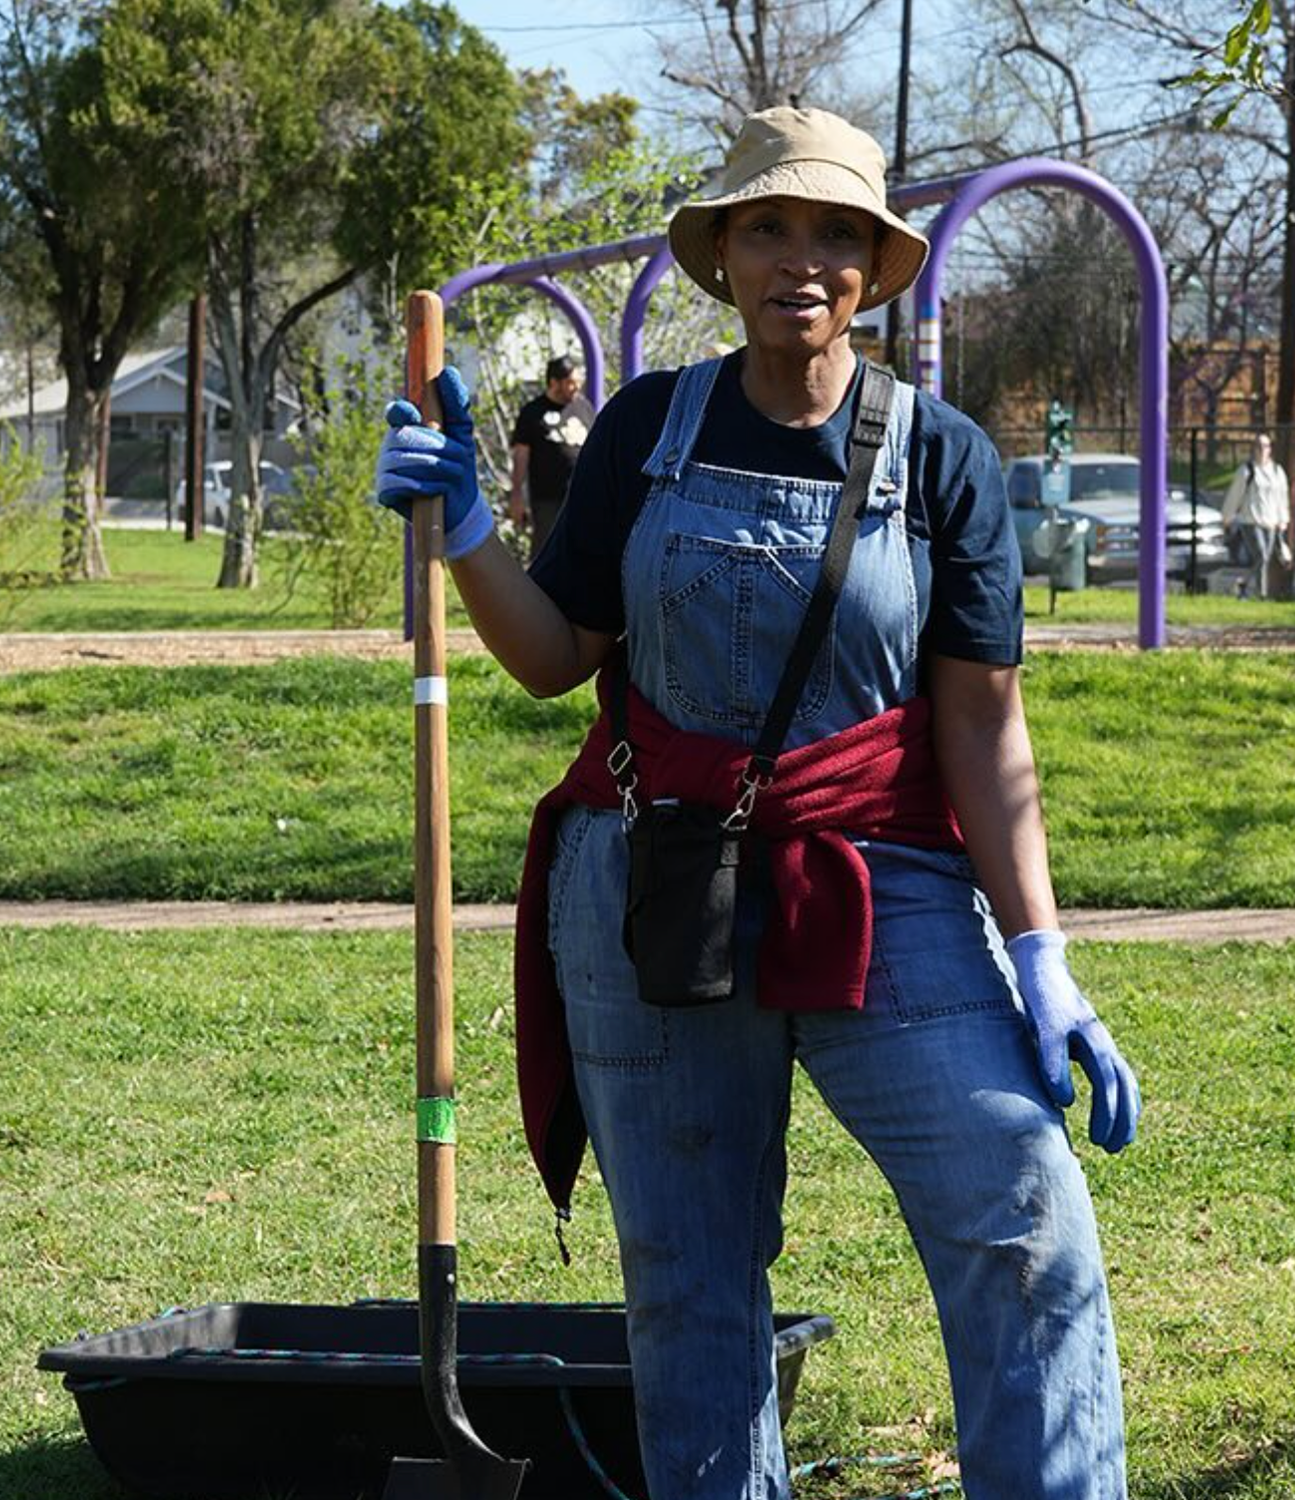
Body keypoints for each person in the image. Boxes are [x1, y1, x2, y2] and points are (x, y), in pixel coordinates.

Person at [376, 105, 1138, 1500]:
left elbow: (982, 719)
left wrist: (1040, 955)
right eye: (769, 227)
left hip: (882, 886)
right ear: (721, 254)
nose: (803, 258)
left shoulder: (943, 456)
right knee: (690, 1279)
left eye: (837, 232)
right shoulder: (650, 428)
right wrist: (471, 532)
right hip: (658, 889)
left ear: (874, 262)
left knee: (1024, 1213)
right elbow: (555, 658)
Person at [508, 354, 595, 558]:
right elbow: (521, 456)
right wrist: (516, 495)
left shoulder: (584, 408)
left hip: (581, 498)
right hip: (547, 501)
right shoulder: (532, 412)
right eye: (570, 382)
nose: (576, 387)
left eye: (578, 382)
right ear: (554, 382)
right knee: (546, 556)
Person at [1219, 431, 1291, 599]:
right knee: (1262, 555)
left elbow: (1282, 496)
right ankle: (1262, 593)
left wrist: (1283, 519)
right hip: (1250, 521)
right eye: (1258, 446)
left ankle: (1248, 587)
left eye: (1265, 446)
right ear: (1253, 449)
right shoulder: (1246, 471)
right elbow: (1234, 495)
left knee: (1264, 560)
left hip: (1271, 522)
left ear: (1270, 449)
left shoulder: (1277, 471)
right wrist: (1227, 517)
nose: (1261, 450)